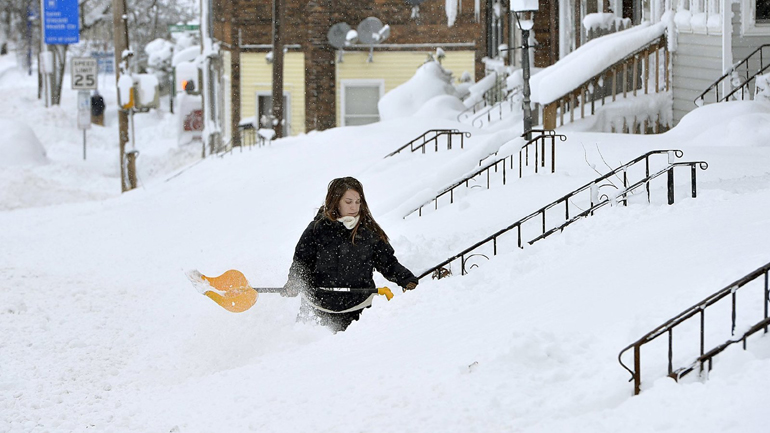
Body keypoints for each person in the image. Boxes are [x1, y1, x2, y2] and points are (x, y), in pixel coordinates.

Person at [284, 177, 418, 332]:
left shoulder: (369, 232)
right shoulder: (317, 229)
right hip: (317, 309)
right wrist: (294, 282)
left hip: (358, 312)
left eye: (357, 201)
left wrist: (407, 280)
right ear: (336, 201)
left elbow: (387, 263)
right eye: (348, 202)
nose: (354, 207)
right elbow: (301, 262)